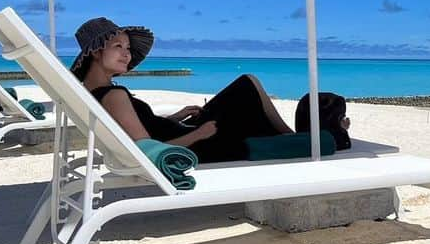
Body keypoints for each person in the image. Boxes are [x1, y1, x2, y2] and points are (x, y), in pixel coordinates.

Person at [72, 16, 299, 163]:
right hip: (195, 145)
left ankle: (291, 137)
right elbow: (148, 150)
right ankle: (293, 138)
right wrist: (199, 133)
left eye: (128, 48)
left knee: (246, 88)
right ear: (95, 52)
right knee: (247, 87)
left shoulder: (98, 93)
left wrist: (174, 118)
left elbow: (142, 130)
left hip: (183, 132)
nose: (127, 54)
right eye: (118, 46)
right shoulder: (113, 95)